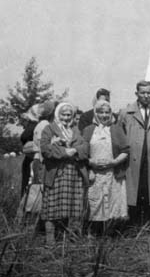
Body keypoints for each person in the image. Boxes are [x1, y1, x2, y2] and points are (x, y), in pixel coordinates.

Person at [118, 80, 150, 225]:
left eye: (149, 93)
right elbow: (120, 135)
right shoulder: (126, 113)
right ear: (136, 94)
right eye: (142, 93)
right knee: (135, 189)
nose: (146, 96)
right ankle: (133, 223)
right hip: (133, 158)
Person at [40, 102, 89, 246]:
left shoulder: (76, 130)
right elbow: (45, 149)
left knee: (74, 206)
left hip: (74, 173)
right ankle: (50, 241)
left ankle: (73, 238)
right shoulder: (49, 129)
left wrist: (74, 151)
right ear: (57, 114)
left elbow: (85, 148)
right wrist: (64, 152)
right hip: (56, 173)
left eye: (69, 115)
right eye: (63, 114)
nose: (66, 118)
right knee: (52, 207)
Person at [82, 100, 129, 235]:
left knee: (112, 202)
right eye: (101, 112)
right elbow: (82, 153)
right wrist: (91, 163)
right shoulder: (88, 130)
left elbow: (126, 151)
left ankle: (110, 233)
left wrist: (114, 162)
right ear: (96, 113)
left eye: (107, 112)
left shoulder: (116, 129)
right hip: (95, 173)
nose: (104, 115)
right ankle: (92, 232)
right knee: (95, 202)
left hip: (113, 172)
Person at [20, 104, 42, 197]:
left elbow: (24, 136)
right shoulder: (40, 123)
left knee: (29, 180)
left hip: (33, 157)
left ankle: (26, 200)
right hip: (34, 156)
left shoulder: (33, 124)